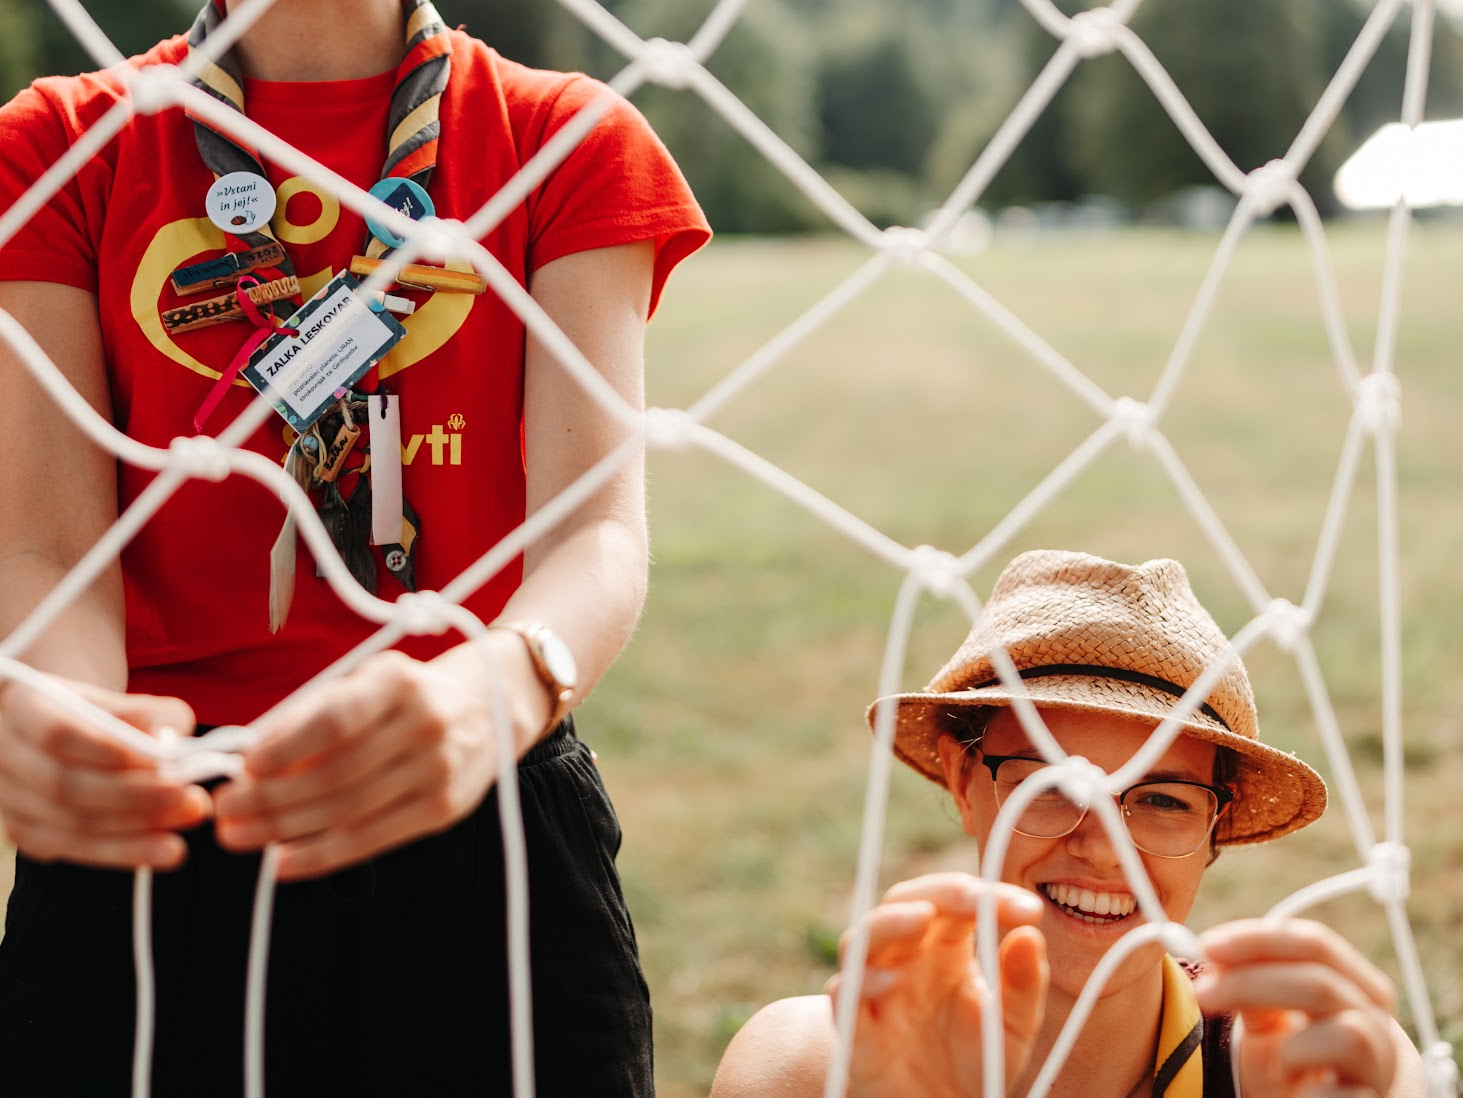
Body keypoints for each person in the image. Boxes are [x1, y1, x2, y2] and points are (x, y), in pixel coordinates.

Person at [0, 1, 709, 1095]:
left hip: (486, 816)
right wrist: (84, 732)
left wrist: (500, 687)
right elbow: (50, 552)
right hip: (155, 834)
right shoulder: (55, 141)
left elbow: (595, 530)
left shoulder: (563, 136)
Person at [711, 550, 1426, 1098]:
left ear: (1217, 825)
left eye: (1161, 799)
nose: (1101, 848)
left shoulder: (1307, 1063)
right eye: (1048, 786)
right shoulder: (805, 1066)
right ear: (964, 782)